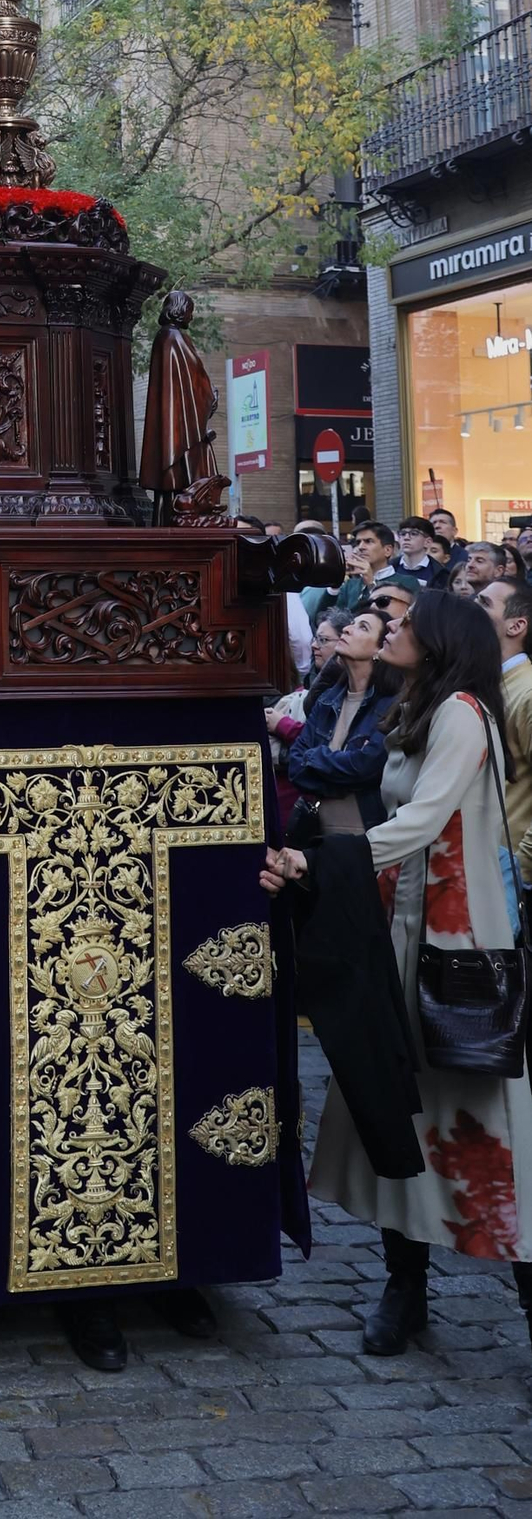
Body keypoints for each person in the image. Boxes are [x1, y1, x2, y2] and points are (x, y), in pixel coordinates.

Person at [263, 592, 532, 1355]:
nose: (395, 629)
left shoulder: (460, 716)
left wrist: (315, 861)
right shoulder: (417, 707)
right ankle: (404, 1289)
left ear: (439, 641)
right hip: (401, 932)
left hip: (458, 946)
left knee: (486, 1127)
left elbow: (422, 820)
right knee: (394, 1106)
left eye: (408, 625)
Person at [286, 609, 400, 831]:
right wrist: (342, 776)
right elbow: (295, 765)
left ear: (380, 649)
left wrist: (314, 757)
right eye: (351, 624)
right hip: (314, 831)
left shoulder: (389, 706)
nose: (347, 629)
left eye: (362, 627)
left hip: (362, 833)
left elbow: (365, 768)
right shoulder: (328, 700)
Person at [481, 578, 532, 873]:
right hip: (487, 863)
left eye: (485, 603)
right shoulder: (489, 682)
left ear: (516, 626)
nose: (473, 608)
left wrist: (521, 865)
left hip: (510, 871)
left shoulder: (527, 692)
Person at [394, 516, 448, 589]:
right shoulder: (390, 567)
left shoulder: (439, 573)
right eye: (403, 534)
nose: (406, 538)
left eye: (413, 534)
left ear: (427, 542)